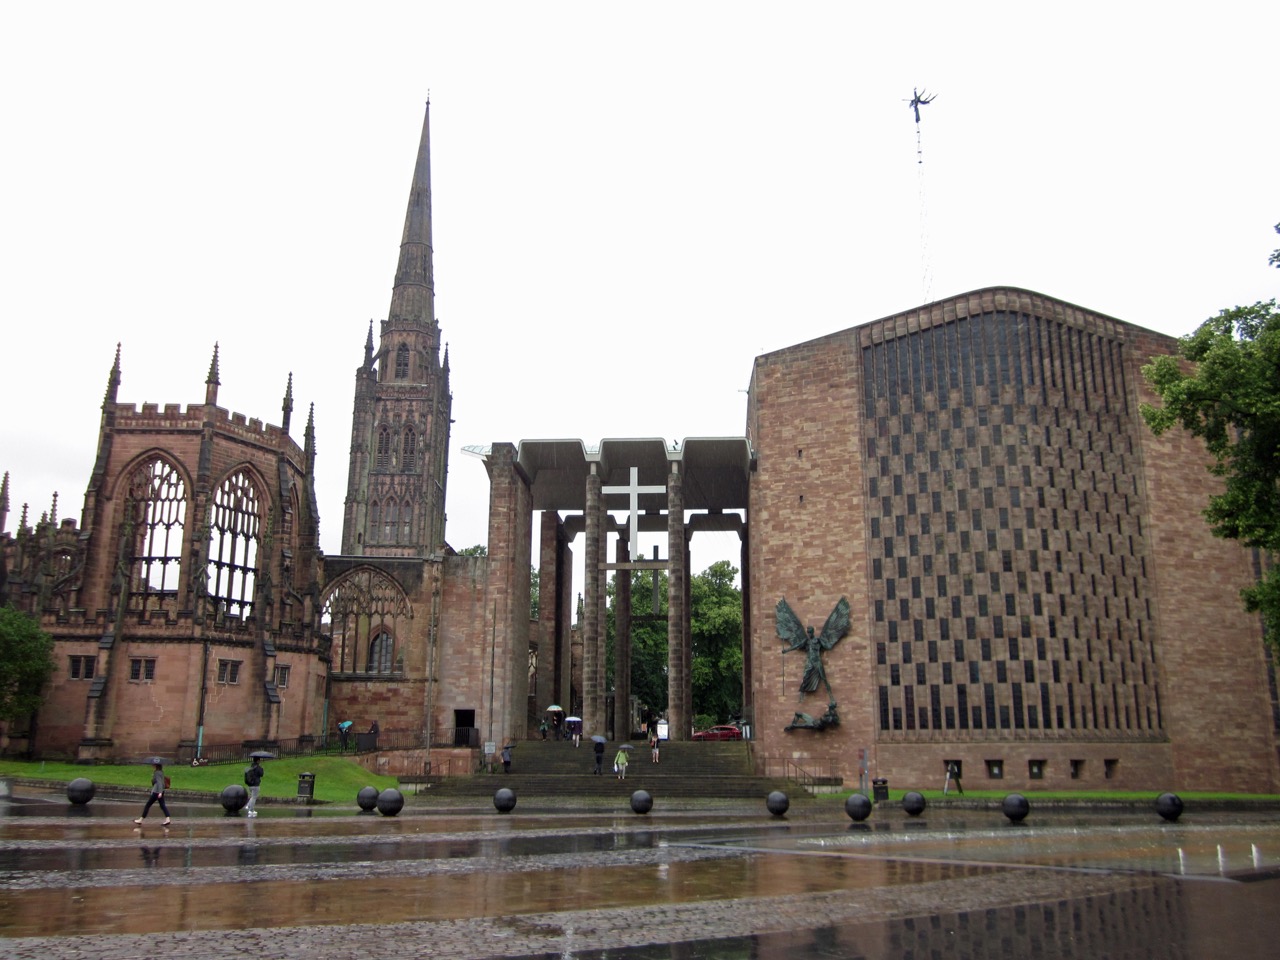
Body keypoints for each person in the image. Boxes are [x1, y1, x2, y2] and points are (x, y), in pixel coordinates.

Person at [133, 762, 171, 826]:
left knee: (148, 805)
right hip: (160, 791)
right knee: (162, 805)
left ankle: (141, 819)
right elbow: (159, 782)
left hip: (156, 792)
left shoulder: (157, 773)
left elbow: (159, 783)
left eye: (153, 765)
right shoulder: (161, 772)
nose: (152, 766)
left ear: (156, 766)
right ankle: (168, 819)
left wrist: (159, 792)